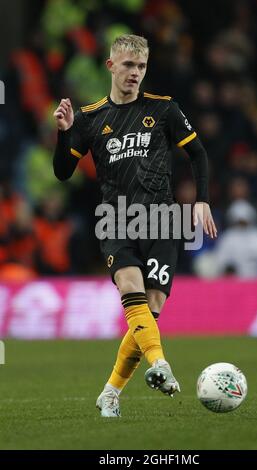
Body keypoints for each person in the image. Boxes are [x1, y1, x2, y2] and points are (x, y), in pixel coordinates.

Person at [53, 34, 217, 417]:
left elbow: (198, 153)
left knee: (151, 308)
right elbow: (62, 173)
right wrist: (63, 133)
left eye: (141, 67)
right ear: (111, 66)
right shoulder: (90, 118)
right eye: (128, 65)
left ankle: (110, 392)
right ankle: (161, 365)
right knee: (131, 287)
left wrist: (202, 200)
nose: (135, 73)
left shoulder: (164, 110)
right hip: (115, 220)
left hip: (162, 220)